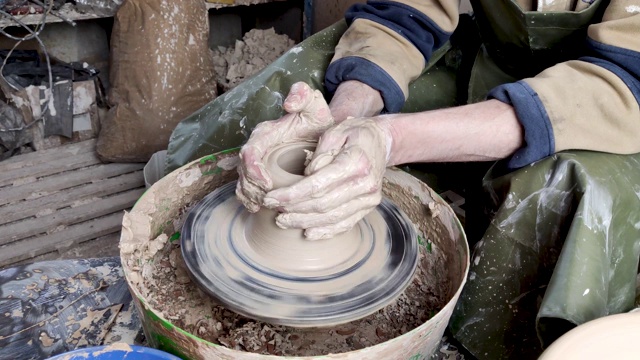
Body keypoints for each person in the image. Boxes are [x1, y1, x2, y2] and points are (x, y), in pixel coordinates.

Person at [168, 0, 640, 358]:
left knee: (566, 187)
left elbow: (622, 79)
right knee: (295, 83)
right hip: (484, 63)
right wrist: (339, 122)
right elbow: (404, 15)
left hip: (606, 105)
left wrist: (390, 140)